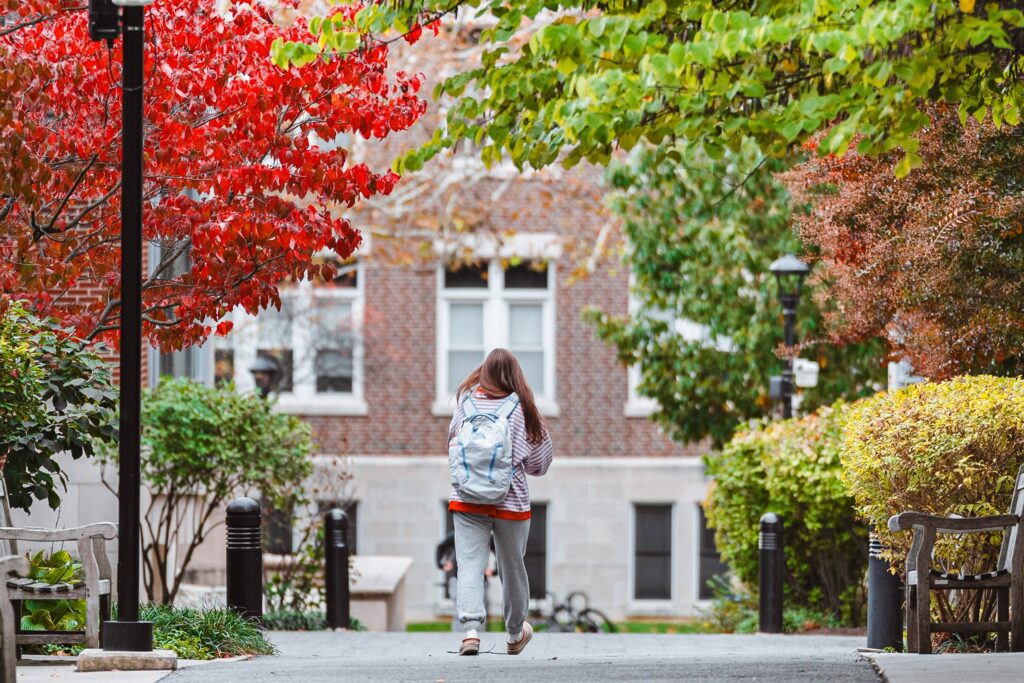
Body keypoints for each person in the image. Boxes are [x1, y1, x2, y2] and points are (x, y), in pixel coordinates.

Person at [447, 348, 553, 656]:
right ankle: (514, 634)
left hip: (467, 500)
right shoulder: (521, 409)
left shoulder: (464, 403)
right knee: (512, 569)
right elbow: (541, 462)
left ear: (484, 372)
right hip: (511, 502)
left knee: (469, 567)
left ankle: (470, 633)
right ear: (515, 375)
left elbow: (452, 446)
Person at [436, 531, 496, 632]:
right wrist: (441, 564)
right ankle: (458, 637)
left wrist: (495, 571)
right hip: (458, 578)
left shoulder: (486, 536)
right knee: (458, 610)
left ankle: (479, 638)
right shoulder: (458, 533)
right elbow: (441, 547)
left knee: (480, 611)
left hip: (480, 580)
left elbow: (500, 552)